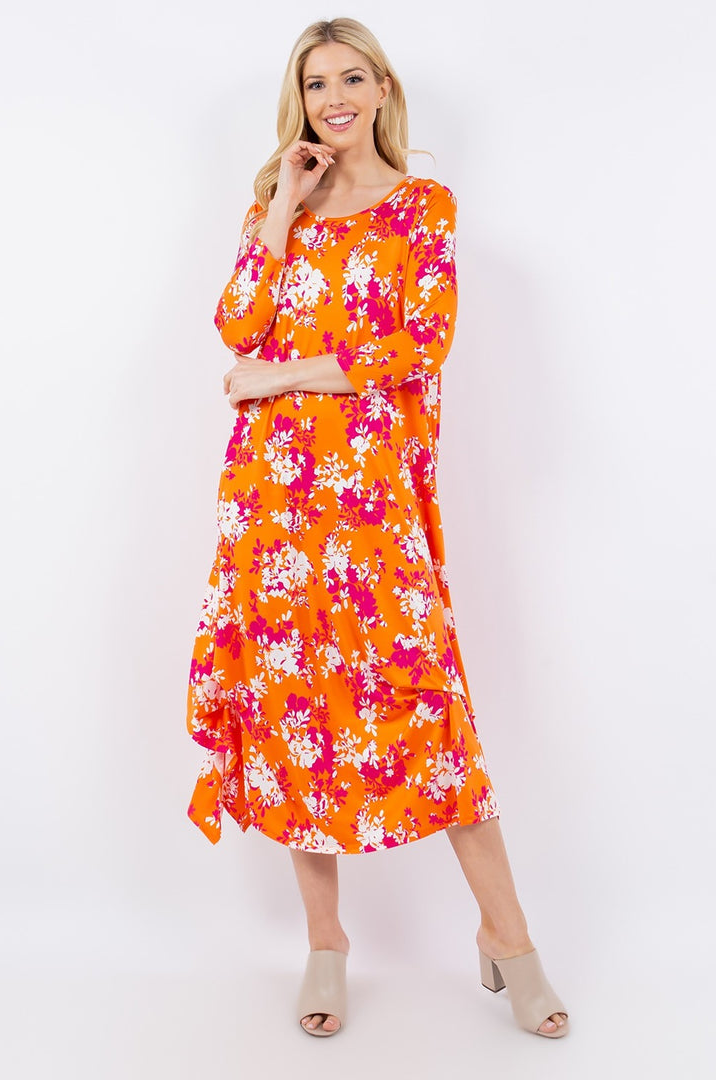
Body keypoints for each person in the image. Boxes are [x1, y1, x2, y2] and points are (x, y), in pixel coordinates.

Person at [185, 17, 569, 1040]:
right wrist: (282, 210)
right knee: (292, 724)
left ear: (384, 88)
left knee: (432, 715)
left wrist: (280, 376)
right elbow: (235, 325)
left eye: (352, 78)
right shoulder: (281, 204)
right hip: (274, 506)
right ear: (300, 102)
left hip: (373, 511)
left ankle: (508, 938)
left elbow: (417, 346)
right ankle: (327, 943)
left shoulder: (422, 207)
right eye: (316, 85)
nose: (335, 98)